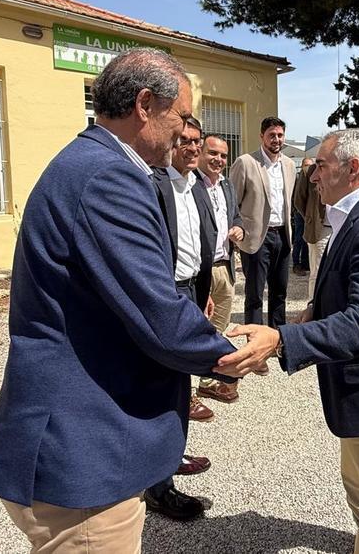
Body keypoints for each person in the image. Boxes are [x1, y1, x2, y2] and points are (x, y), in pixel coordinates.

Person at [0, 48, 272, 552]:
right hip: (85, 450)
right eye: (181, 117)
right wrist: (240, 352)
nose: (186, 133)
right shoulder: (108, 175)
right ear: (144, 104)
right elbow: (159, 315)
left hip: (81, 437)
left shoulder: (93, 162)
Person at [217, 128, 359, 554]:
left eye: (321, 165)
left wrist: (280, 338)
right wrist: (311, 312)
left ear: (352, 168)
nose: (313, 176)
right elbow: (352, 290)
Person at [146, 116, 217, 519]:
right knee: (162, 383)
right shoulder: (154, 185)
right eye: (185, 141)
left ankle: (169, 456)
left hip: (191, 290)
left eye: (197, 142)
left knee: (180, 383)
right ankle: (158, 487)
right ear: (172, 143)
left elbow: (201, 246)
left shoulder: (198, 186)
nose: (192, 148)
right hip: (165, 294)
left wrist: (202, 295)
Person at [230, 117, 297, 329]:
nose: (276, 139)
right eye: (272, 135)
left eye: (280, 135)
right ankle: (254, 341)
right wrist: (237, 229)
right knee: (255, 295)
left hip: (283, 236)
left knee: (280, 293)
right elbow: (233, 203)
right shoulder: (246, 163)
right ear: (262, 136)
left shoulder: (289, 165)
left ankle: (277, 338)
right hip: (257, 237)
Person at [195, 133, 247, 405]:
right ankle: (185, 387)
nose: (218, 160)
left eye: (223, 155)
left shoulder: (227, 186)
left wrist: (239, 227)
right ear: (201, 153)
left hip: (225, 267)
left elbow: (235, 215)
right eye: (212, 153)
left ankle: (207, 381)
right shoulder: (190, 186)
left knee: (217, 328)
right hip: (201, 270)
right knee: (196, 327)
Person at [293, 156, 331, 300]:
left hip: (338, 228)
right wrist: (310, 218)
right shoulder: (308, 171)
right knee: (317, 271)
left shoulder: (340, 171)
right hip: (319, 230)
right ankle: (313, 307)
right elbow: (298, 200)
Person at [292, 159, 311, 276]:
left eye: (310, 166)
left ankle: (305, 263)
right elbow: (295, 196)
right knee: (299, 238)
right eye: (306, 165)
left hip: (308, 213)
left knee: (306, 239)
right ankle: (296, 263)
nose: (308, 168)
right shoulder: (298, 178)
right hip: (299, 213)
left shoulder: (313, 178)